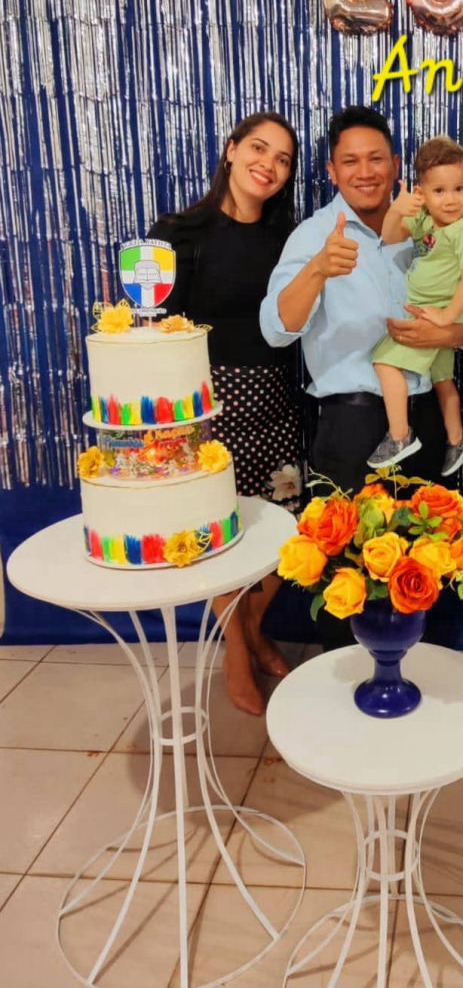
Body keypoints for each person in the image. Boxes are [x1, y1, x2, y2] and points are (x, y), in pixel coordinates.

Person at [260, 106, 463, 650]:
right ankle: (348, 684)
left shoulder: (433, 225)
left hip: (426, 422)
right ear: (331, 171)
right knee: (349, 574)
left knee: (426, 566)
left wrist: (445, 333)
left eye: (376, 158)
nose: (365, 171)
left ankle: (417, 677)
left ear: (396, 164)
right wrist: (317, 269)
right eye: (350, 161)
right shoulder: (315, 235)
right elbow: (276, 330)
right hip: (352, 429)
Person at [148, 111, 303, 717]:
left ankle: (253, 628)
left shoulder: (288, 238)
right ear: (231, 150)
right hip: (208, 410)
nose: (268, 165)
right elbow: (160, 331)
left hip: (277, 403)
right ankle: (237, 652)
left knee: (286, 534)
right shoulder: (178, 232)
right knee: (220, 538)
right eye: (259, 149)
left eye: (283, 159)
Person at [369, 135, 463, 477]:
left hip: (434, 315)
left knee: (385, 362)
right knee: (443, 380)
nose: (450, 200)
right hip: (433, 313)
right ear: (421, 192)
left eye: (458, 189)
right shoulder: (425, 220)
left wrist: (447, 317)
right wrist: (397, 210)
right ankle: (457, 439)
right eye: (439, 191)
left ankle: (399, 436)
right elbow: (390, 236)